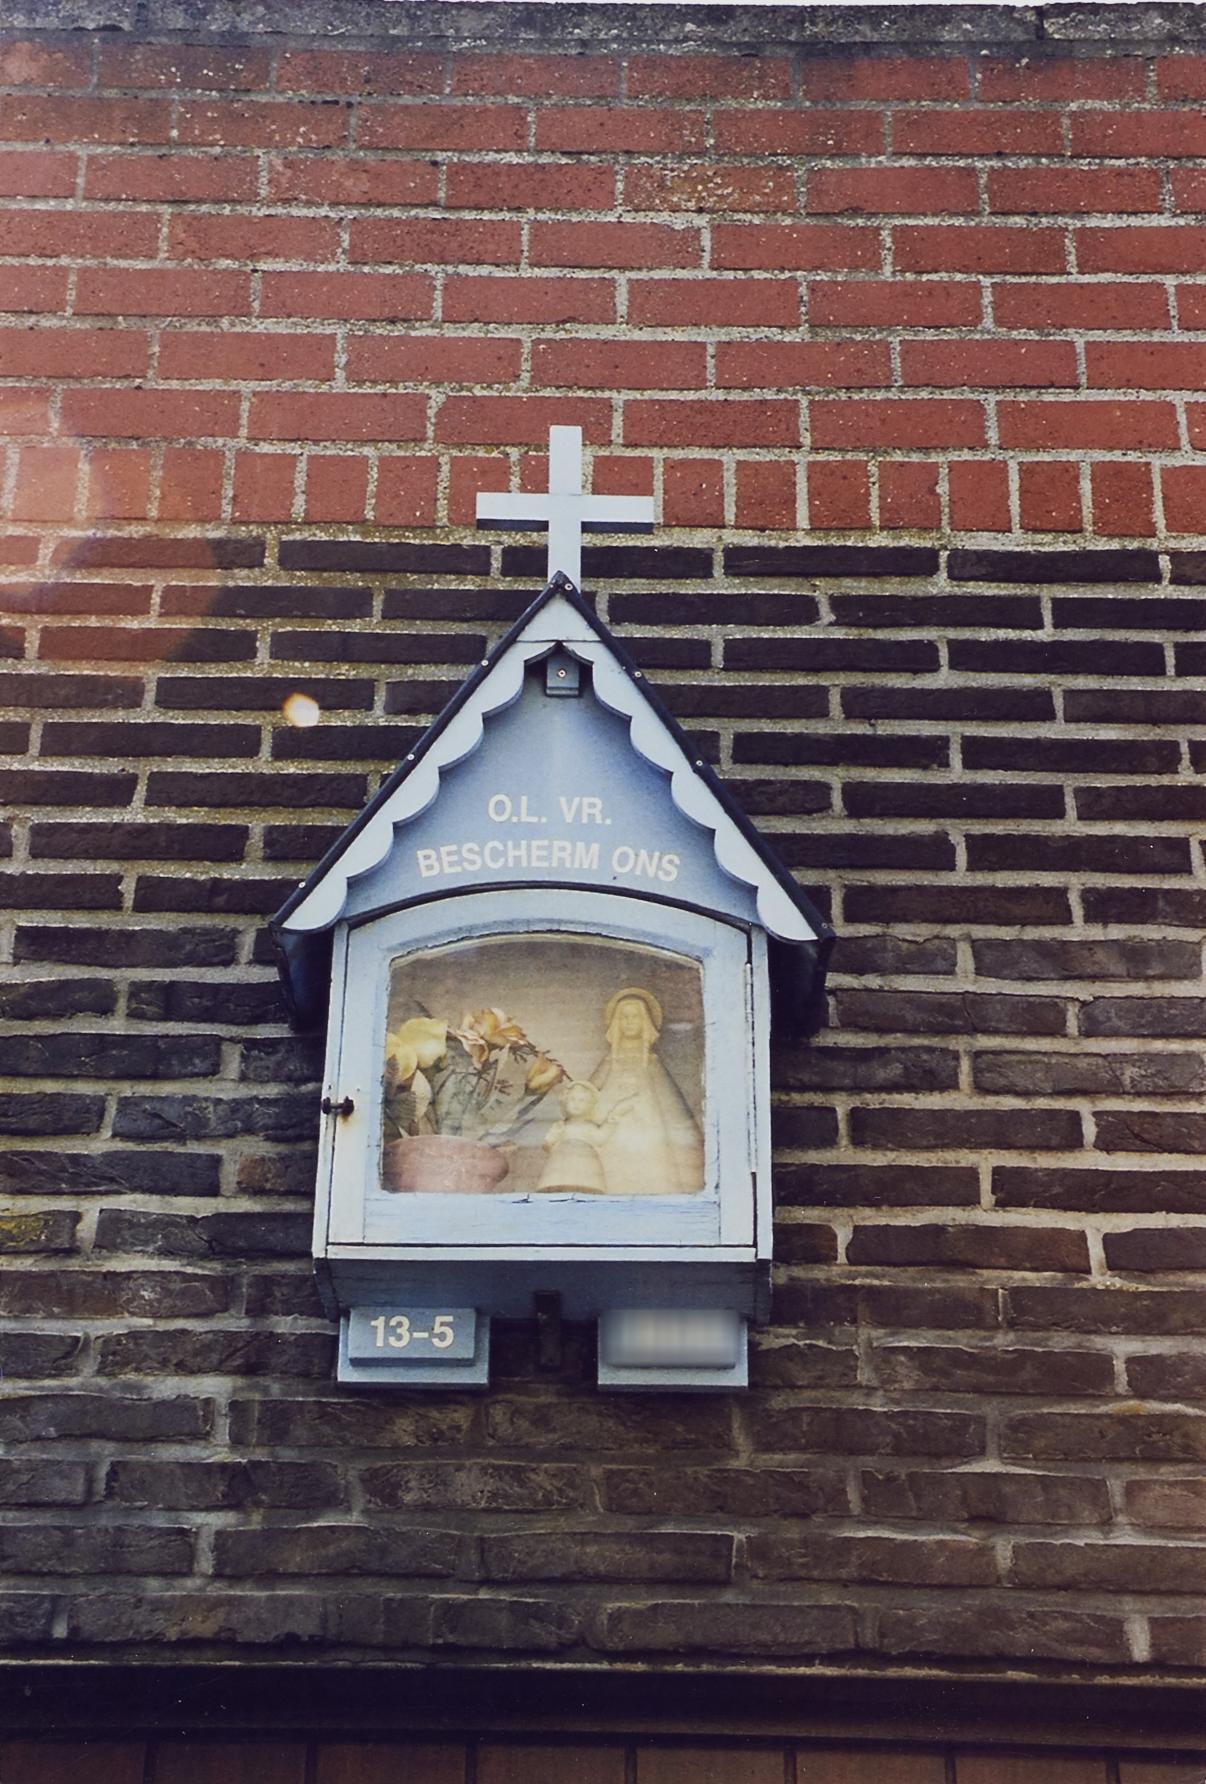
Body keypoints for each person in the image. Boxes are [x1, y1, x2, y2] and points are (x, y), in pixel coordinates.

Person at [590, 987, 705, 1195]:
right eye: (624, 1017)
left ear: (644, 1021)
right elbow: (591, 1090)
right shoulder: (610, 1060)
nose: (629, 1022)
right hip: (610, 1119)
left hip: (647, 1118)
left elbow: (669, 1102)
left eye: (635, 1017)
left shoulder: (651, 1062)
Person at [537, 1080, 633, 1193]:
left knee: (586, 1184)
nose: (576, 1103)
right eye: (572, 1099)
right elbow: (547, 1145)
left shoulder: (589, 1126)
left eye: (582, 1100)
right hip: (560, 1161)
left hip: (586, 1161)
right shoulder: (560, 1125)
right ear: (565, 1103)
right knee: (558, 1184)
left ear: (590, 1105)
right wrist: (552, 1138)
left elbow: (601, 1138)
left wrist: (612, 1118)